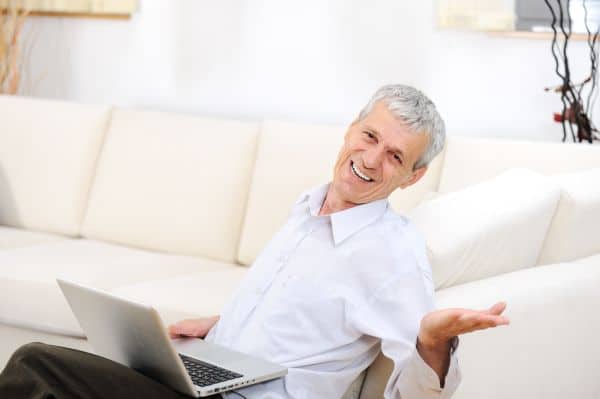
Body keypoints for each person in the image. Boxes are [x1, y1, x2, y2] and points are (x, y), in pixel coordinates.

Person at [0, 84, 509, 399]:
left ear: (412, 179)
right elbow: (308, 313)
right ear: (351, 129)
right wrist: (225, 325)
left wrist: (433, 343)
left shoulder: (393, 256)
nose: (373, 159)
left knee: (37, 364)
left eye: (396, 157)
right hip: (212, 376)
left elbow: (415, 396)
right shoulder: (309, 209)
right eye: (370, 137)